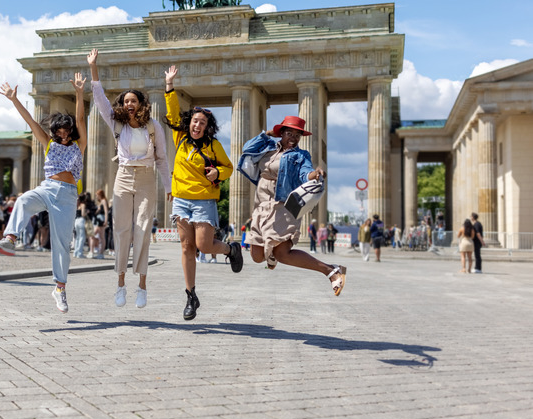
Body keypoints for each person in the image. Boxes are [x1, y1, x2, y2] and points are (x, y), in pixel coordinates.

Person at [0, 73, 86, 313]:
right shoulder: (48, 143)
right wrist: (14, 100)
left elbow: (82, 119)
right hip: (47, 188)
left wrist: (80, 93)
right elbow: (31, 121)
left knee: (62, 245)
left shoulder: (79, 145)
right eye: (59, 131)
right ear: (54, 131)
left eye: (66, 131)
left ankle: (60, 289)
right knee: (23, 200)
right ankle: (10, 239)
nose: (62, 135)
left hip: (68, 195)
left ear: (71, 131)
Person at [87, 49, 172, 308]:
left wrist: (169, 186)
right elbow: (100, 99)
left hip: (147, 178)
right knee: (122, 229)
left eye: (133, 100)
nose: (129, 104)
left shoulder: (152, 126)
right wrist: (94, 69)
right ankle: (121, 284)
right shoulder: (116, 123)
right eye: (125, 101)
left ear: (141, 104)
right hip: (123, 176)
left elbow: (162, 159)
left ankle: (142, 286)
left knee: (143, 229)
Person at [164, 65, 243, 321]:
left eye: (202, 122)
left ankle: (231, 249)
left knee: (203, 246)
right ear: (189, 124)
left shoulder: (213, 146)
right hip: (181, 199)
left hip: (204, 200)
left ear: (207, 127)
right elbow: (173, 112)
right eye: (194, 121)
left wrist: (216, 174)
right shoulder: (180, 138)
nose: (197, 125)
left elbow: (229, 168)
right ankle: (191, 295)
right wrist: (169, 86)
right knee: (187, 248)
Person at [240, 116, 347, 296]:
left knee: (283, 254)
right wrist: (268, 134)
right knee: (257, 257)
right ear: (281, 133)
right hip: (261, 204)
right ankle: (271, 253)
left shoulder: (300, 155)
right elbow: (246, 150)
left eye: (297, 135)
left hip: (283, 206)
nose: (294, 138)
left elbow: (305, 172)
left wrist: (314, 174)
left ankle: (331, 271)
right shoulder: (267, 147)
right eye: (289, 133)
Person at [92, 189, 109, 260]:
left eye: (97, 195)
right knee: (100, 237)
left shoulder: (104, 201)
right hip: (99, 219)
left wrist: (106, 220)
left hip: (101, 220)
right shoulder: (101, 201)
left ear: (100, 195)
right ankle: (99, 252)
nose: (96, 197)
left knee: (100, 237)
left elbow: (106, 211)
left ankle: (100, 253)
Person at [74, 193, 89, 258]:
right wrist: (87, 212)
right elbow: (83, 214)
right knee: (82, 237)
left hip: (76, 220)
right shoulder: (83, 205)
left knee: (77, 237)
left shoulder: (78, 204)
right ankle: (79, 253)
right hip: (81, 220)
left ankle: (76, 252)